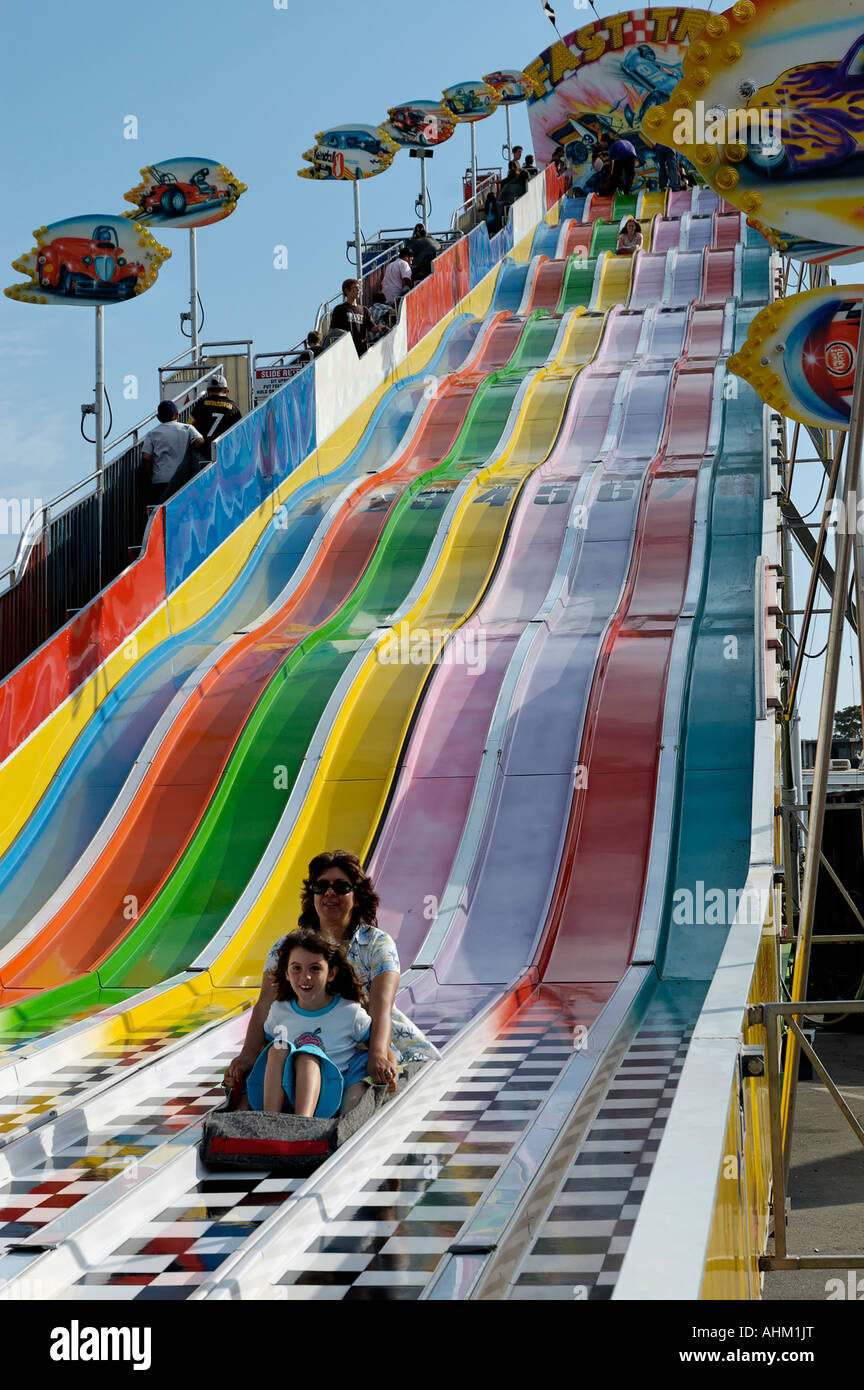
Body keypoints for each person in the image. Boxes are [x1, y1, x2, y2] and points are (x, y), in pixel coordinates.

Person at [224, 850, 438, 1099]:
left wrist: (377, 1053)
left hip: (364, 1038)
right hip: (305, 1036)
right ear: (312, 895)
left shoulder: (377, 944)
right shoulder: (288, 947)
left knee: (376, 1072)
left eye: (341, 886)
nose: (329, 893)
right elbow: (265, 1004)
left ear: (356, 897)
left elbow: (381, 1008)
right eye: (321, 886)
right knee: (268, 1065)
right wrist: (247, 1055)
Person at [247, 929, 387, 1117]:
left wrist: (386, 1065)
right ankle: (270, 1118)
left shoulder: (349, 1013)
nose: (305, 977)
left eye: (315, 968)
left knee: (307, 1055)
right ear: (286, 973)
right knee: (278, 1048)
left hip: (328, 1097)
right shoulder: (279, 1011)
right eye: (296, 968)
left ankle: (303, 1122)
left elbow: (377, 1047)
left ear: (331, 973)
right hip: (285, 1097)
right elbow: (265, 1052)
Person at [141, 400, 203, 510]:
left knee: (161, 513)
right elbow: (199, 442)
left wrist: (150, 476)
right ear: (177, 415)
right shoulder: (187, 428)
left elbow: (146, 457)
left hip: (160, 481)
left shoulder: (152, 433)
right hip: (184, 480)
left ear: (158, 417)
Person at [189, 373, 242, 466]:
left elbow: (190, 426)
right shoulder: (233, 408)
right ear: (226, 390)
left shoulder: (200, 404)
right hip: (224, 452)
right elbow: (238, 433)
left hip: (202, 451)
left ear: (208, 390)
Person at [329, 279, 376, 357]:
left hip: (361, 350)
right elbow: (333, 330)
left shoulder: (364, 310)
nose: (358, 290)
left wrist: (383, 328)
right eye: (355, 288)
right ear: (347, 291)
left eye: (359, 288)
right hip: (345, 350)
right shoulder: (339, 309)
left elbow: (372, 328)